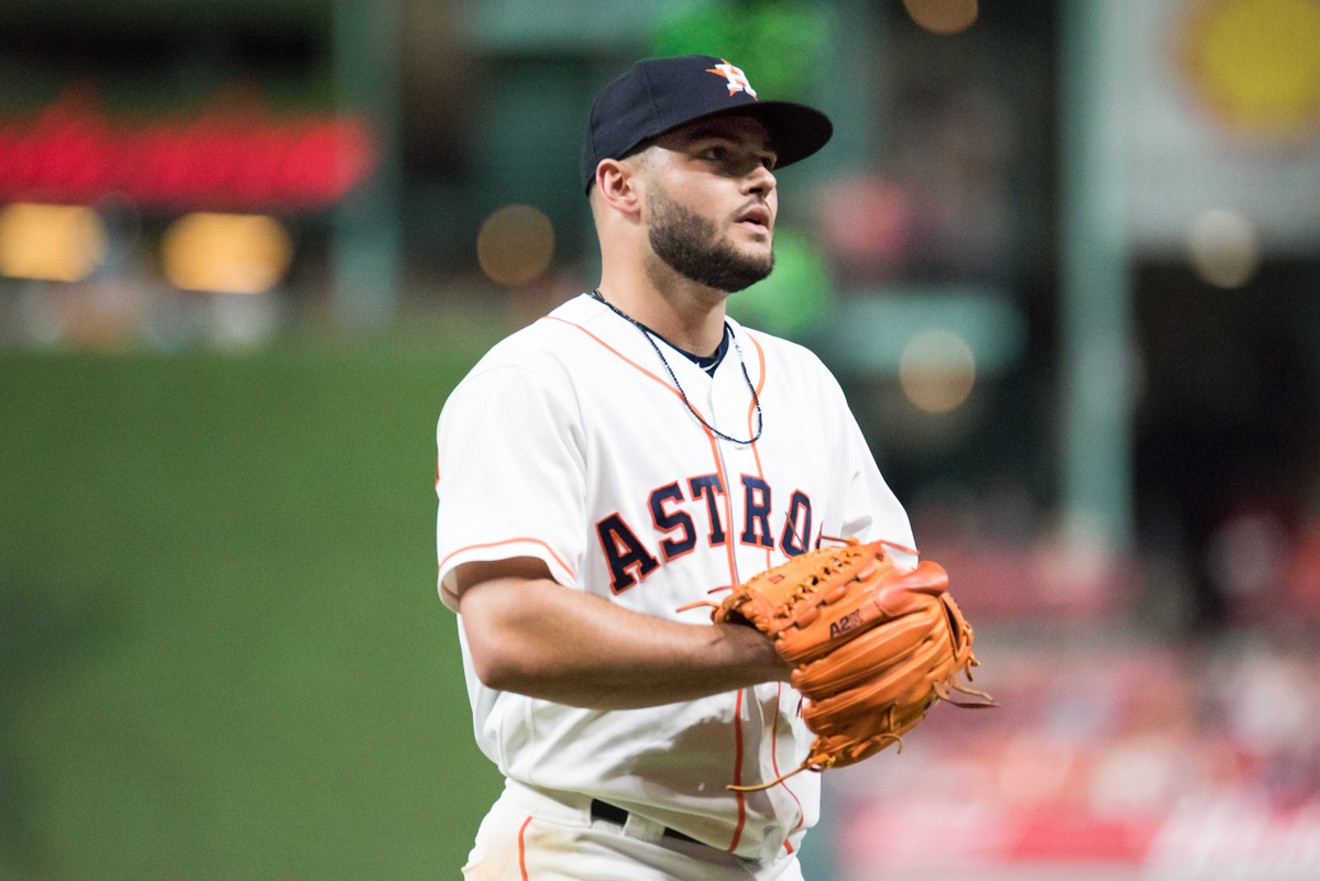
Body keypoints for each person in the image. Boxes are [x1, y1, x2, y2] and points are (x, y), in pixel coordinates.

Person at [435, 54, 916, 881]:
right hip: (590, 849)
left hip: (770, 858)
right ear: (621, 187)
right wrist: (759, 651)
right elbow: (508, 631)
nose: (760, 181)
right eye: (718, 156)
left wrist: (887, 629)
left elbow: (892, 583)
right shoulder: (533, 380)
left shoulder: (803, 384)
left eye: (765, 160)